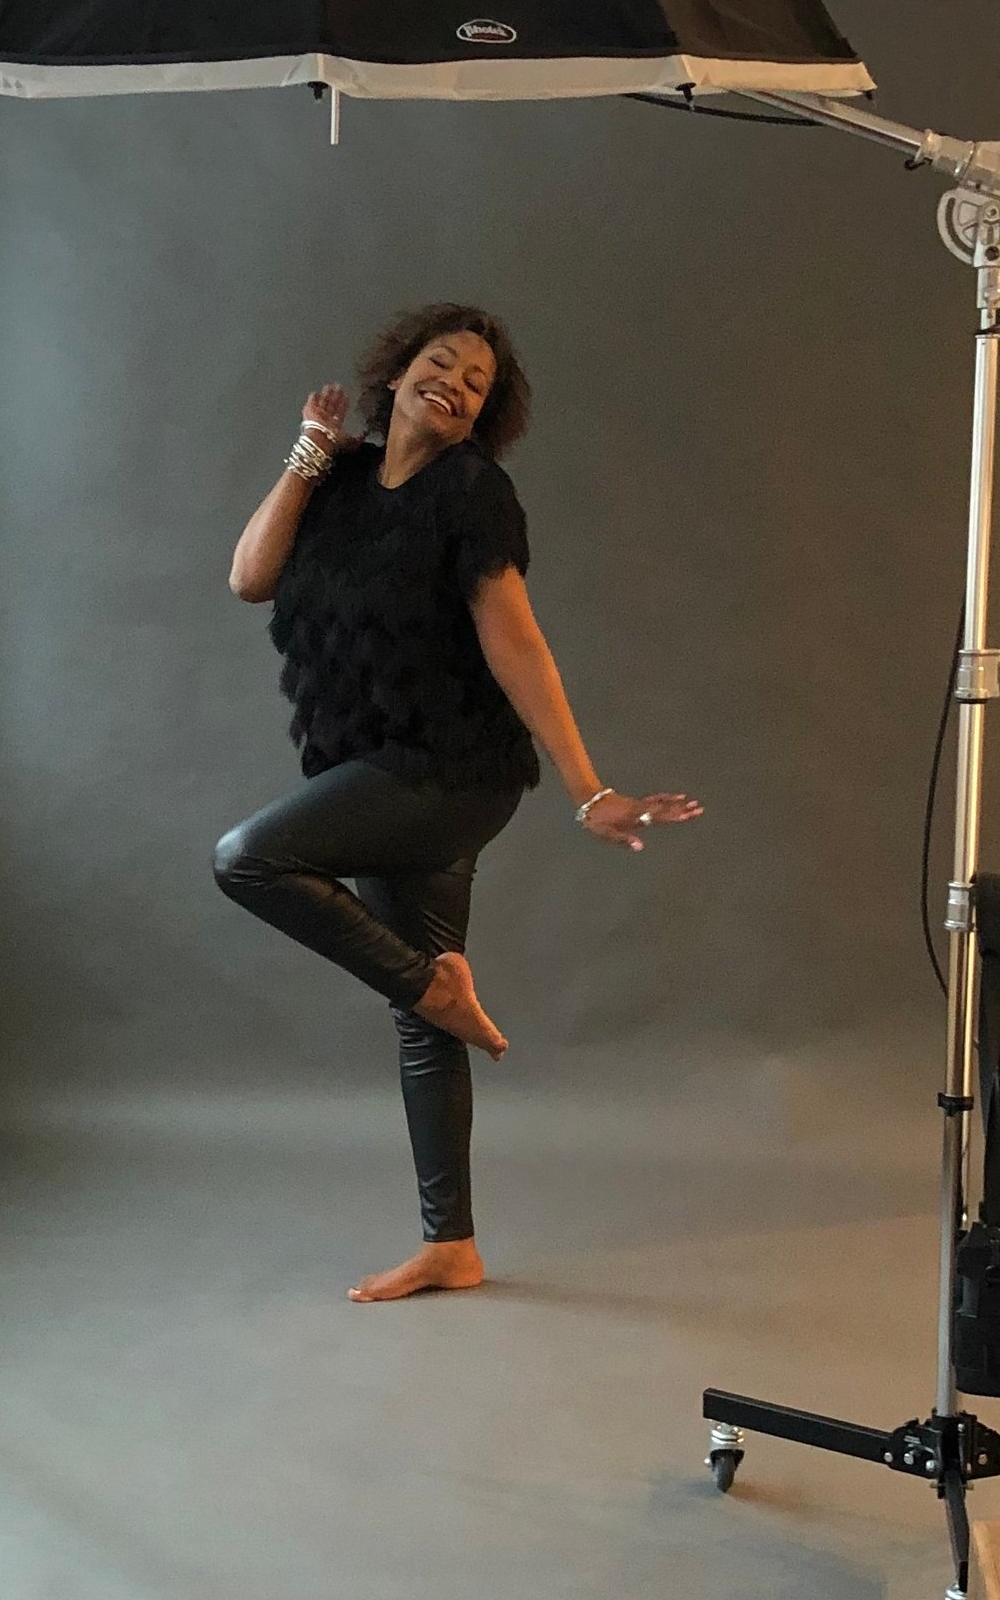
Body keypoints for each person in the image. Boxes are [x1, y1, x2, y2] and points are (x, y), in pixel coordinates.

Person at [215, 302, 700, 1302]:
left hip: (450, 773)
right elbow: (250, 576)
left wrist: (589, 790)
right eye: (442, 363)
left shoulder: (473, 493)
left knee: (249, 858)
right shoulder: (339, 479)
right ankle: (453, 1245)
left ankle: (431, 984)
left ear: (482, 416)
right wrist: (308, 451)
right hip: (367, 764)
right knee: (423, 1026)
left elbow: (515, 640)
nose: (457, 384)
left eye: (477, 383)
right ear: (396, 375)